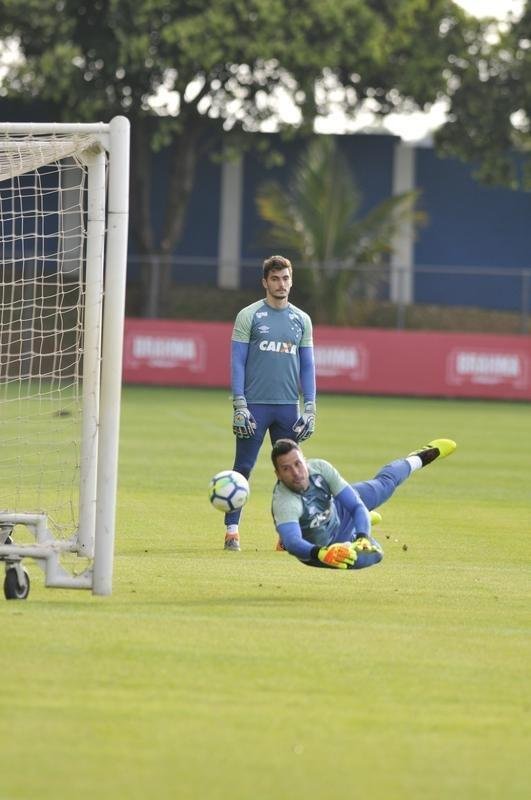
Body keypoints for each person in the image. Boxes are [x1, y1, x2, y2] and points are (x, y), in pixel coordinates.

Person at [225, 254, 316, 551]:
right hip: (254, 407)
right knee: (243, 468)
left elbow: (307, 367)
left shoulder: (302, 320)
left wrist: (310, 407)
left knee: (291, 472)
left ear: (292, 280)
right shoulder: (249, 315)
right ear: (265, 282)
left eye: (286, 278)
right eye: (275, 279)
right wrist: (239, 403)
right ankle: (232, 532)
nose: (281, 284)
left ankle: (285, 536)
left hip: (288, 408)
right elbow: (238, 360)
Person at [271, 437, 457, 570]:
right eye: (286, 469)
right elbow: (292, 542)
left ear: (305, 460)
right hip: (323, 549)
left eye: (298, 464)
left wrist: (363, 537)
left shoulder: (320, 468)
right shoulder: (284, 502)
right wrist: (321, 554)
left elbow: (355, 505)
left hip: (337, 510)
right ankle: (359, 525)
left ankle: (417, 458)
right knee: (376, 555)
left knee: (383, 486)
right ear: (278, 474)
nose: (296, 473)